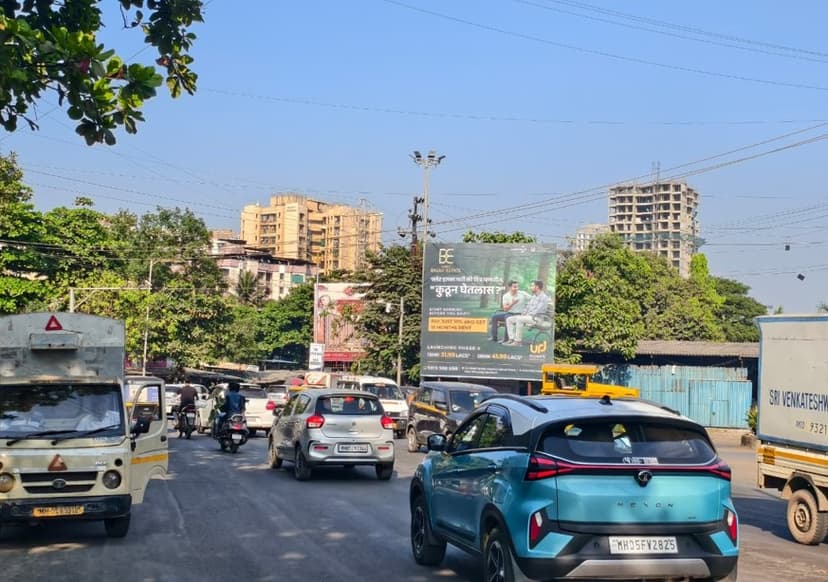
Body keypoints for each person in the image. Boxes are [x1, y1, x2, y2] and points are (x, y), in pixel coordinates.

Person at [504, 280, 551, 346]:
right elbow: (527, 307)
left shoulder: (544, 297)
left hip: (537, 318)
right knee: (509, 319)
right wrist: (523, 314)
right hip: (529, 317)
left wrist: (525, 316)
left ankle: (517, 342)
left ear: (537, 287)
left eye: (532, 286)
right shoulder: (534, 296)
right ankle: (511, 339)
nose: (530, 287)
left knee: (519, 319)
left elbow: (538, 311)